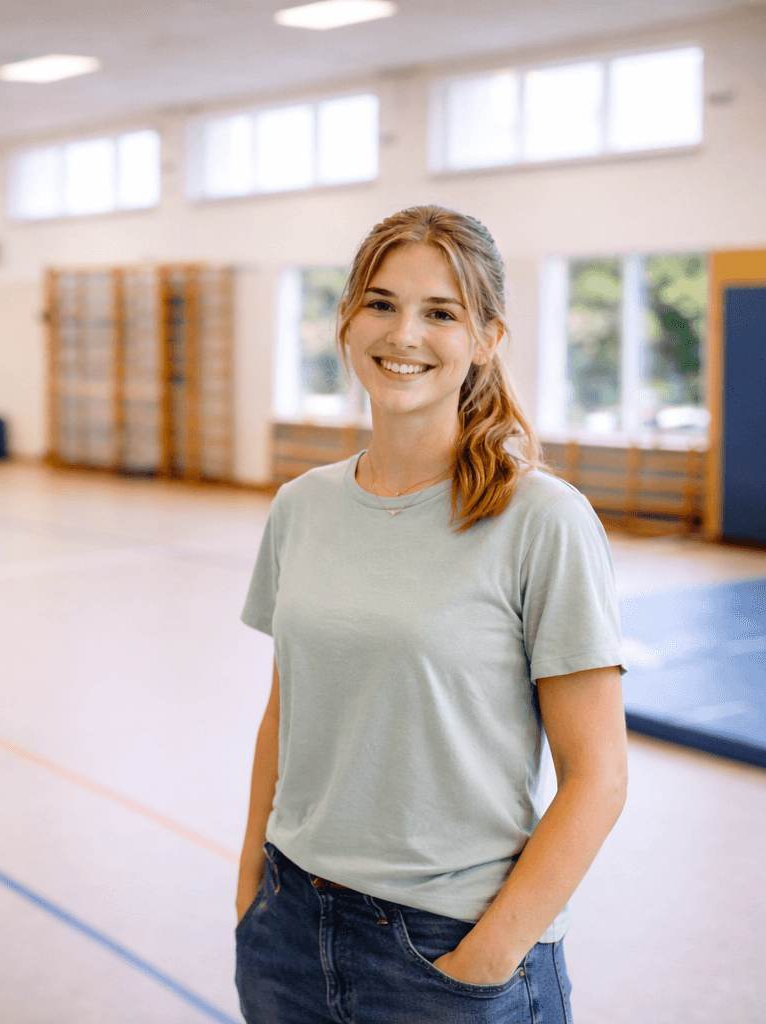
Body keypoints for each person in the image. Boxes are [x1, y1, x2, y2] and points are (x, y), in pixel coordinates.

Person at [234, 206, 628, 1022]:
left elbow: (598, 776)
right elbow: (287, 711)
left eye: (440, 312)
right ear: (348, 320)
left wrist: (486, 958)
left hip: (448, 949)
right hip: (289, 927)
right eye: (380, 303)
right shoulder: (301, 507)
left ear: (486, 337)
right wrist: (252, 890)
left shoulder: (541, 520)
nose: (403, 333)